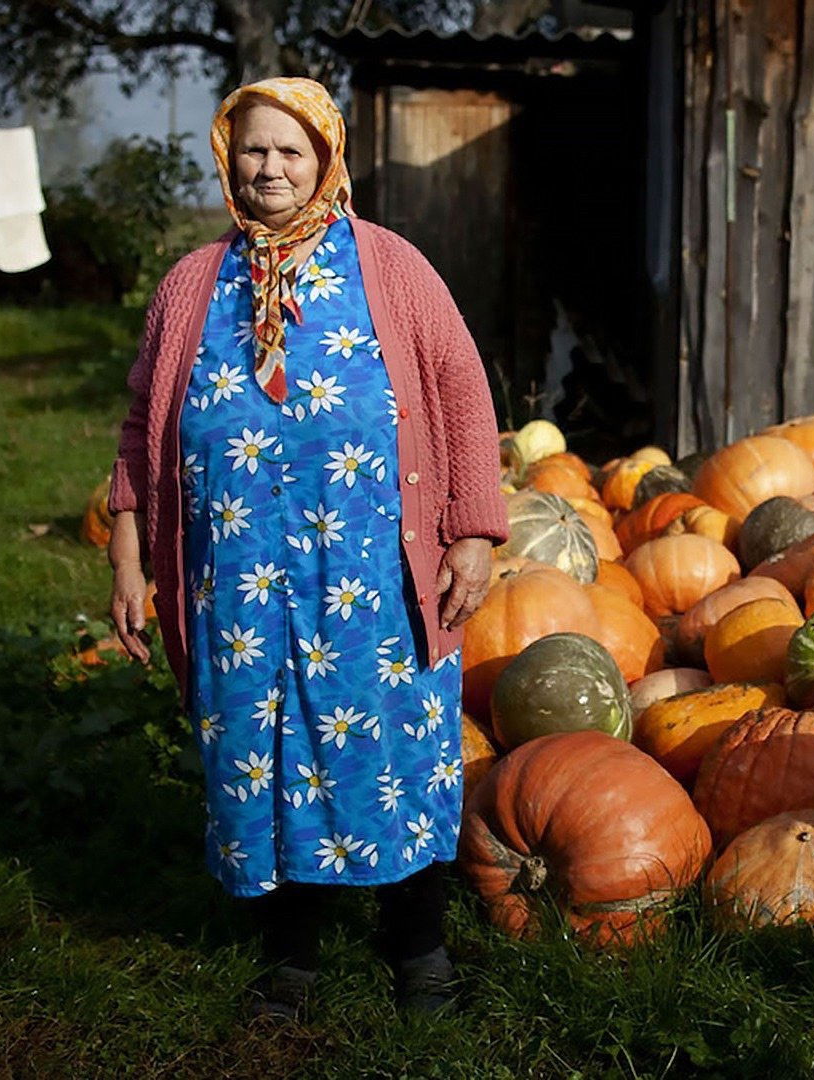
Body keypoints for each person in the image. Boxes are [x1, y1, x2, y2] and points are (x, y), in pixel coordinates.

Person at [104, 77, 507, 1021]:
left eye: (291, 150)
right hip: (235, 586)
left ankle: (419, 951)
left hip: (372, 577)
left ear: (325, 157)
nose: (271, 168)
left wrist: (476, 530)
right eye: (253, 150)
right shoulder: (192, 283)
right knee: (260, 753)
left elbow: (461, 391)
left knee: (393, 755)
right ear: (228, 158)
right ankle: (290, 960)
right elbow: (140, 430)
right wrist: (129, 552)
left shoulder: (392, 266)